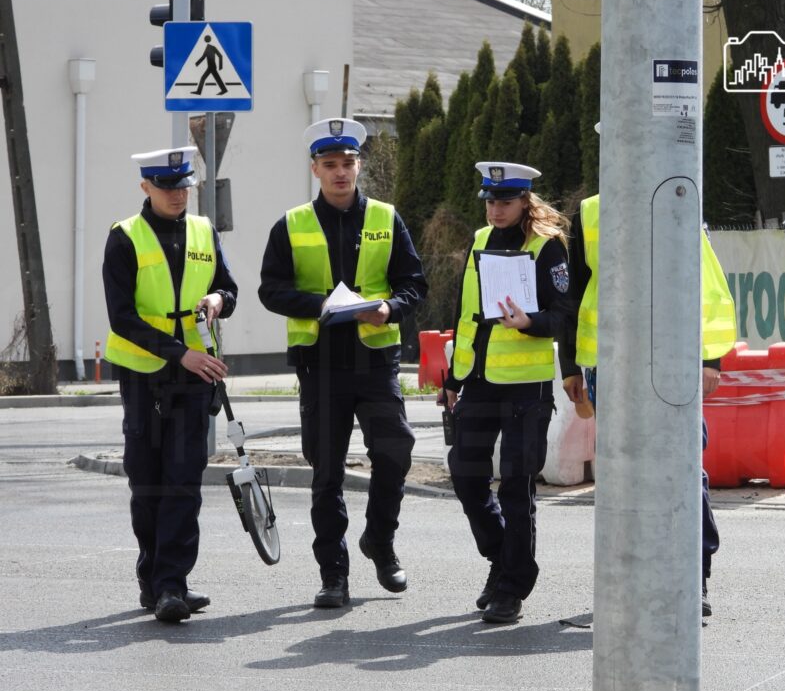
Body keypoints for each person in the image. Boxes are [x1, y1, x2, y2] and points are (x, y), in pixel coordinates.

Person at [259, 118, 427, 609]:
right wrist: (320, 305)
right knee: (327, 472)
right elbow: (271, 290)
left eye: (348, 163)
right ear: (315, 169)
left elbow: (414, 283)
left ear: (359, 165)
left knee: (394, 454)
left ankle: (381, 542)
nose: (340, 172)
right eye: (330, 164)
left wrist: (389, 308)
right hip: (321, 365)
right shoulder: (291, 224)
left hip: (376, 361)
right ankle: (334, 574)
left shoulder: (386, 217)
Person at [561, 184, 736, 618]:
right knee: (623, 476)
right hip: (610, 365)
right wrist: (570, 365)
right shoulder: (589, 212)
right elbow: (573, 296)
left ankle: (694, 578)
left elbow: (706, 284)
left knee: (682, 469)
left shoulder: (678, 195)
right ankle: (630, 582)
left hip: (672, 361)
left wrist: (709, 359)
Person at [102, 145, 238, 623]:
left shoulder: (204, 230)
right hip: (144, 375)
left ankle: (171, 585)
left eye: (183, 186)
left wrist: (219, 299)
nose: (177, 195)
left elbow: (229, 286)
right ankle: (153, 579)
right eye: (167, 187)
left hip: (194, 377)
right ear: (146, 188)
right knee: (148, 480)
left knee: (183, 480)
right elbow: (122, 318)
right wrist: (180, 351)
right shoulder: (125, 238)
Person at [443, 161, 574, 624]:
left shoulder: (547, 248)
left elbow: (564, 315)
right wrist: (453, 380)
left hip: (525, 388)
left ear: (524, 202)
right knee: (466, 475)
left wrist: (530, 323)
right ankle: (502, 560)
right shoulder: (480, 241)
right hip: (477, 381)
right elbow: (465, 316)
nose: (495, 210)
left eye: (505, 202)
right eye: (490, 202)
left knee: (517, 487)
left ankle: (512, 589)